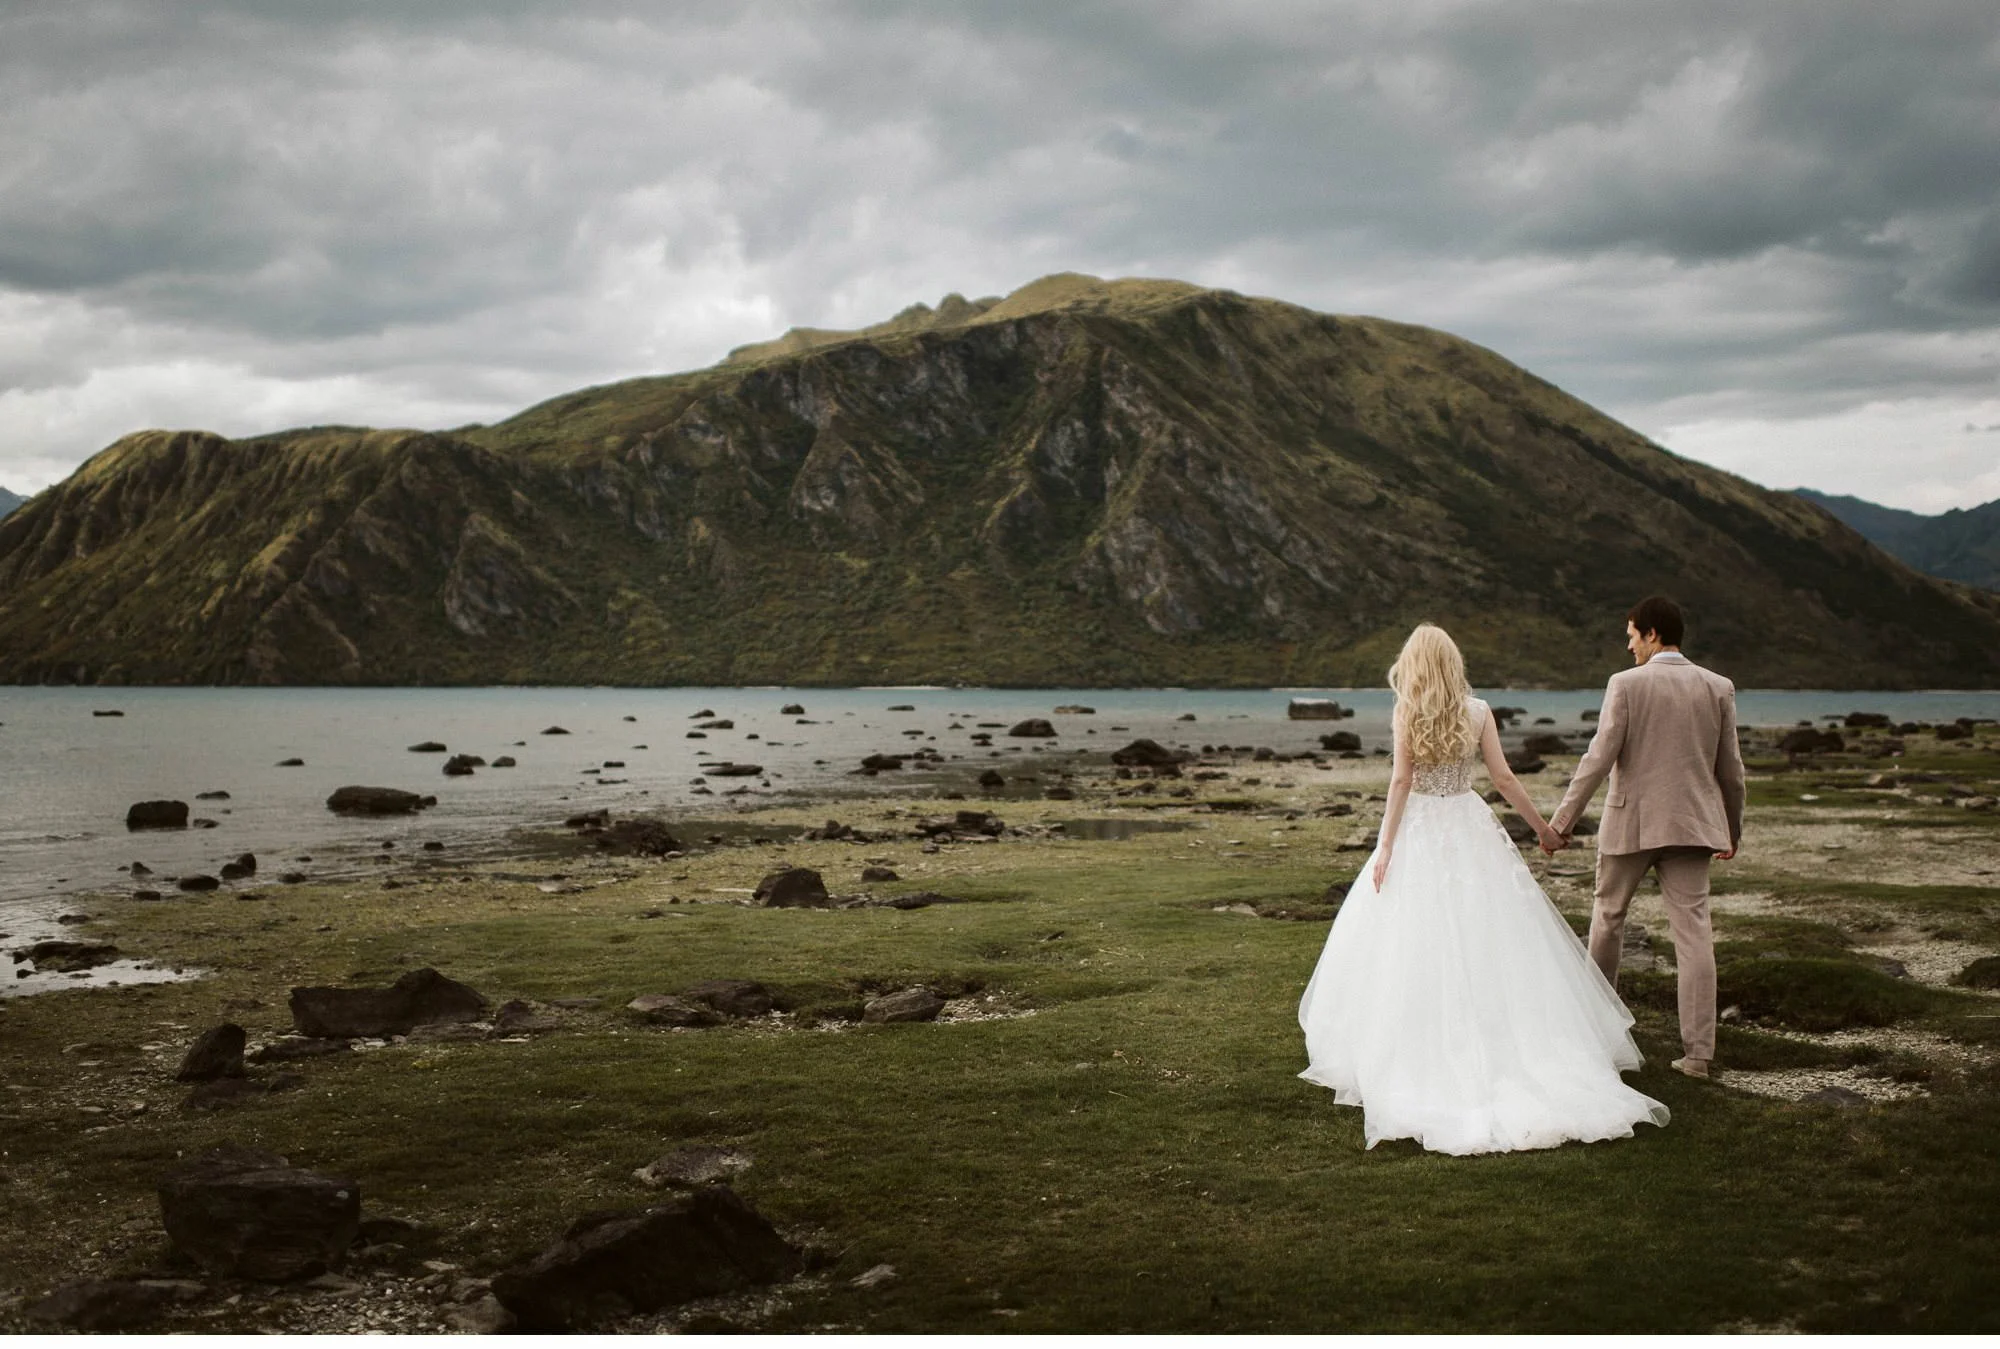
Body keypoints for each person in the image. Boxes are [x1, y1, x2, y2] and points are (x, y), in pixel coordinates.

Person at [1297, 622, 1669, 1155]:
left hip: (1423, 828)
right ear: (1452, 662)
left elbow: (1401, 782)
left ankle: (1417, 1047)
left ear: (1414, 664)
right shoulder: (1478, 711)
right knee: (1489, 934)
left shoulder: (1408, 711)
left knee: (1413, 936)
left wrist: (1385, 847)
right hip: (1467, 827)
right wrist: (1543, 828)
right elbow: (1504, 779)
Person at [1547, 595, 1745, 1080]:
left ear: (1653, 634)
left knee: (1608, 919)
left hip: (1631, 824)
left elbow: (1598, 758)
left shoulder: (1626, 685)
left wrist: (1561, 823)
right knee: (1694, 934)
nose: (1629, 645)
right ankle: (1698, 1056)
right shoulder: (1718, 686)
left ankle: (1600, 1035)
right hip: (1695, 827)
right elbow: (1731, 770)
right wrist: (1731, 830)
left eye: (1633, 635)